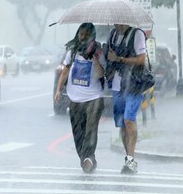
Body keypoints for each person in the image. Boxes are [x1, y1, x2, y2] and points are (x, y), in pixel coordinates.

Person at [54, 23, 105, 173]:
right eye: (80, 34)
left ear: (91, 36)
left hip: (94, 97)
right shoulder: (73, 50)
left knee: (90, 129)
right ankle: (87, 159)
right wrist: (58, 89)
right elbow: (65, 70)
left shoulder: (99, 51)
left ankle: (88, 158)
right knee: (78, 132)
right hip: (75, 97)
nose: (82, 37)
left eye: (85, 35)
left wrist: (95, 59)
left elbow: (102, 74)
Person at [106, 24, 147, 174]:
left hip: (134, 84)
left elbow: (142, 59)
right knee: (122, 124)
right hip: (117, 86)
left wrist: (120, 59)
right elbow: (110, 58)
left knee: (129, 119)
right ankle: (128, 157)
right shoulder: (113, 35)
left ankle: (131, 159)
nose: (117, 22)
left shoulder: (137, 34)